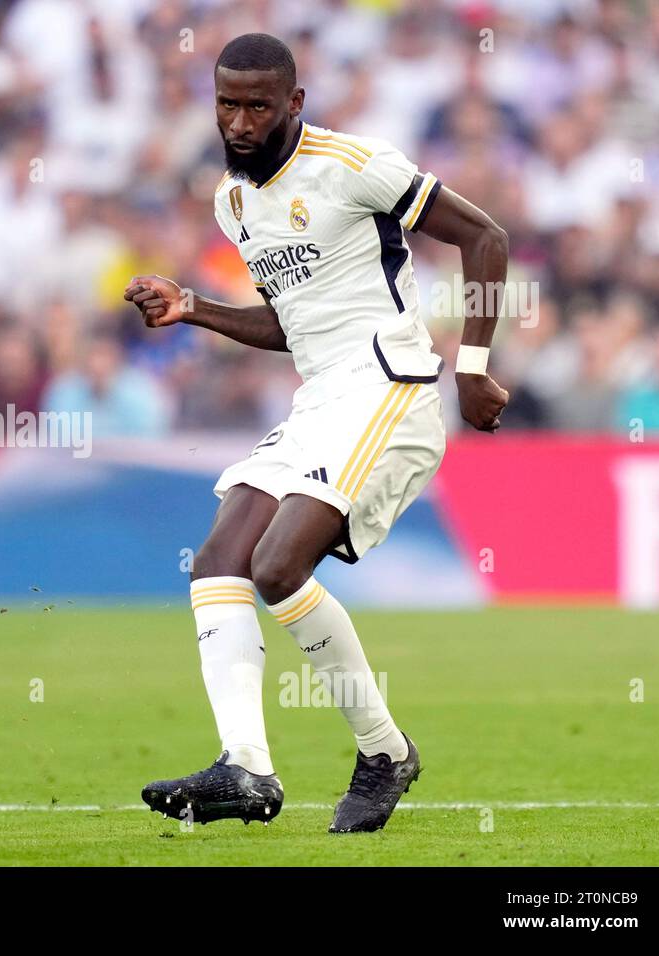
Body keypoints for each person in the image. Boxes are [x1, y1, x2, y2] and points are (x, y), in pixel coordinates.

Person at [123, 34, 509, 833]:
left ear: (294, 103)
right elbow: (292, 325)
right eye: (227, 102)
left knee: (277, 563)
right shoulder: (232, 202)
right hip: (322, 398)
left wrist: (471, 366)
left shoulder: (352, 162)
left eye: (258, 105)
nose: (238, 120)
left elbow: (486, 238)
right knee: (220, 560)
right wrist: (195, 307)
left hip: (392, 391)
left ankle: (382, 751)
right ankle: (247, 769)